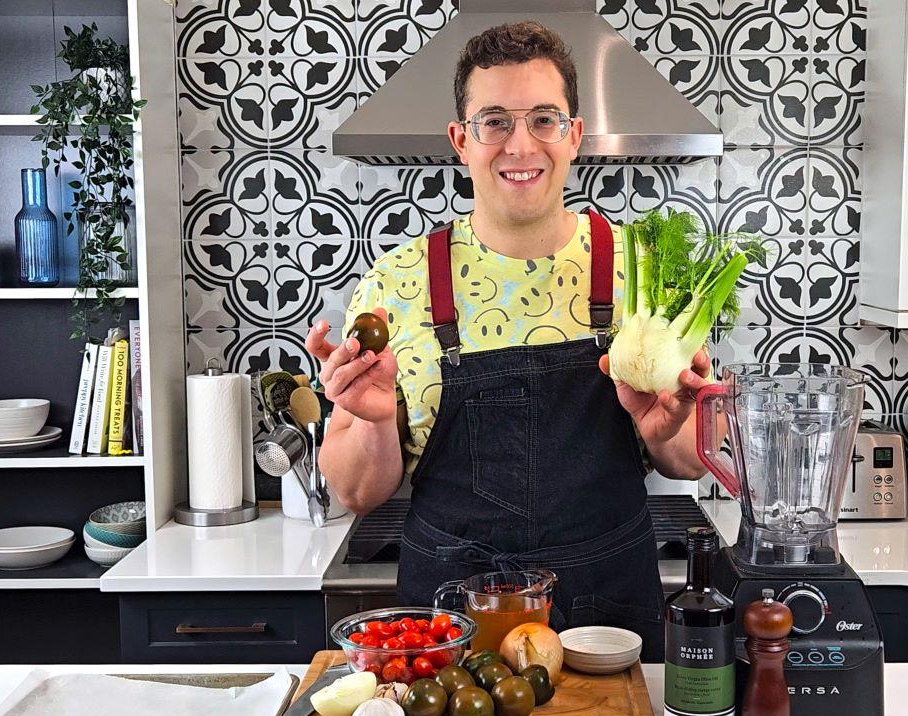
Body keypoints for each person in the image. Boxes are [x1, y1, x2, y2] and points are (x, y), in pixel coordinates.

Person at [304, 21, 710, 660]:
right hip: (451, 621)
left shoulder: (641, 270)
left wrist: (669, 433)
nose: (521, 145)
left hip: (608, 615)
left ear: (574, 136)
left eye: (544, 120)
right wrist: (374, 422)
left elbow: (687, 459)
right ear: (461, 141)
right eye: (494, 121)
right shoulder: (396, 283)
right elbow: (356, 492)